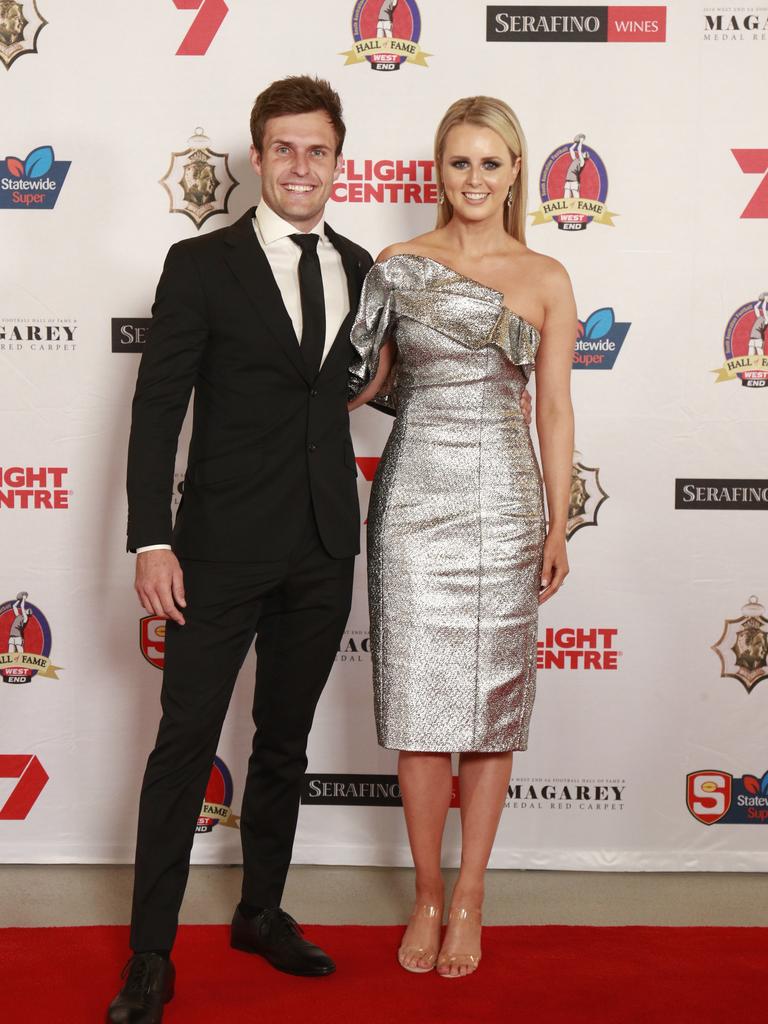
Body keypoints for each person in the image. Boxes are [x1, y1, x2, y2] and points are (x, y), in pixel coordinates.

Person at [108, 75, 371, 1024]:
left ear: (339, 162)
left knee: (285, 743)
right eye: (286, 148)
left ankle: (261, 910)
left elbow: (352, 388)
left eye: (320, 150)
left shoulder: (360, 262)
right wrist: (151, 538)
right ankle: (149, 953)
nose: (303, 165)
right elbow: (156, 413)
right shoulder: (199, 264)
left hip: (322, 545)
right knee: (184, 744)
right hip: (216, 549)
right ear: (257, 159)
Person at [348, 96, 575, 978]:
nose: (474, 179)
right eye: (459, 163)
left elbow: (552, 407)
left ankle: (471, 895)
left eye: (491, 163)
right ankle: (427, 895)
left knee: (489, 712)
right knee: (417, 713)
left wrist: (558, 522)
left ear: (517, 172)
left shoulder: (547, 276)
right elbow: (365, 385)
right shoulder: (397, 267)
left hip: (505, 500)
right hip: (411, 501)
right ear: (436, 171)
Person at [564, 133, 588, 200]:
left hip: (574, 182)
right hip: (568, 181)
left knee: (577, 200)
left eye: (585, 154)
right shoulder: (575, 160)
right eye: (584, 153)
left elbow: (579, 150)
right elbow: (571, 149)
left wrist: (581, 141)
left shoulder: (582, 162)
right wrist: (576, 142)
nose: (583, 153)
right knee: (565, 200)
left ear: (585, 157)